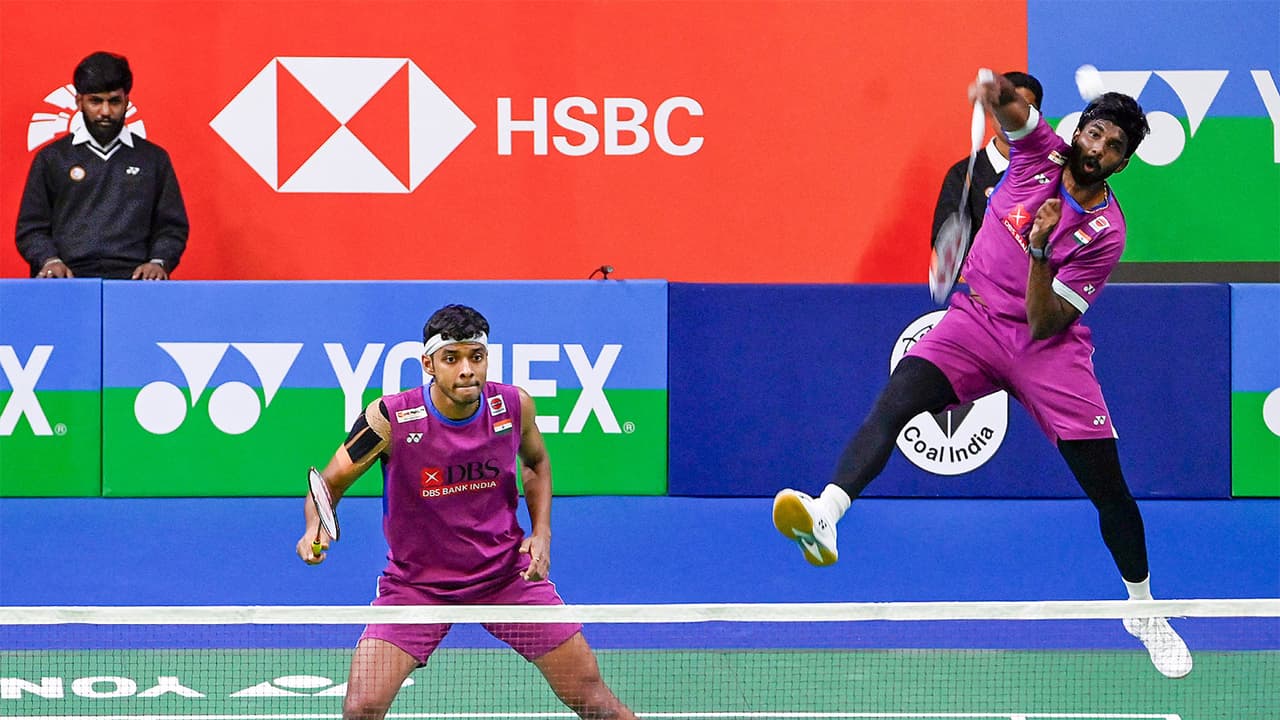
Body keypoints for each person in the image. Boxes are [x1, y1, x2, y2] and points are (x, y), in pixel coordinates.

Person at [773, 74, 1195, 680]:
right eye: (1095, 133)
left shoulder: (1107, 234)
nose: (1098, 148)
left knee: (1109, 489)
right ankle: (826, 514)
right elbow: (1017, 113)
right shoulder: (1039, 154)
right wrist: (994, 90)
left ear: (1122, 164)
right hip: (974, 321)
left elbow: (1046, 322)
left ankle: (1144, 611)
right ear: (1078, 132)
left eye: (1113, 147)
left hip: (1046, 348)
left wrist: (1041, 250)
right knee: (897, 400)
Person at [296, 304, 636, 720]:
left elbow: (535, 462)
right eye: (451, 359)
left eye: (476, 357)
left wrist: (542, 532)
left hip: (506, 576)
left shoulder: (514, 406)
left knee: (594, 699)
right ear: (428, 364)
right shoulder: (390, 418)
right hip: (417, 586)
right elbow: (328, 483)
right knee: (361, 708)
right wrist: (314, 526)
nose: (467, 370)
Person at [16, 51, 188, 280]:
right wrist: (49, 260)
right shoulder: (52, 158)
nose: (105, 112)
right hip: (68, 280)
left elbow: (172, 227)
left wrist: (159, 262)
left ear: (126, 101)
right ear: (79, 102)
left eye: (114, 101)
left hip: (134, 281)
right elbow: (31, 228)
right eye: (96, 101)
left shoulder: (153, 159)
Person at [930, 71, 1043, 253]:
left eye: (1026, 109)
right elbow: (946, 246)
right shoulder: (963, 175)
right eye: (1005, 106)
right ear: (992, 111)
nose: (1014, 116)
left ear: (1038, 117)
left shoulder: (1051, 170)